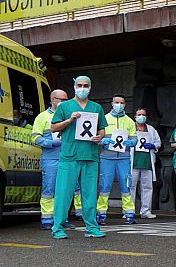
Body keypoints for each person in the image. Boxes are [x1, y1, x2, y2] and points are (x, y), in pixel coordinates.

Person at [50, 76, 107, 239]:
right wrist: (70, 119)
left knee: (89, 193)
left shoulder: (96, 107)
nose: (82, 88)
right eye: (79, 85)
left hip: (89, 156)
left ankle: (91, 227)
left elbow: (102, 129)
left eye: (85, 85)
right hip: (69, 156)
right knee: (63, 193)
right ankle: (57, 227)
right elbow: (53, 127)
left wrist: (99, 136)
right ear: (74, 86)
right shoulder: (65, 106)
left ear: (90, 87)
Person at [32, 89, 80, 230]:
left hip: (68, 157)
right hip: (50, 158)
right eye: (61, 100)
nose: (65, 102)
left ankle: (62, 219)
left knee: (65, 190)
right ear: (53, 99)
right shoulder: (42, 117)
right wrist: (49, 143)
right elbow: (35, 136)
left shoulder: (71, 116)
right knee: (49, 189)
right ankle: (47, 219)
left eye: (66, 100)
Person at [97, 94, 137, 225]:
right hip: (107, 157)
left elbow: (135, 139)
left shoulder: (129, 121)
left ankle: (129, 213)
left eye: (121, 102)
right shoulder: (104, 119)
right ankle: (101, 213)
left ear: (125, 104)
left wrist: (131, 142)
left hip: (123, 158)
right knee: (104, 186)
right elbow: (96, 138)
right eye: (116, 102)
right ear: (112, 103)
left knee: (126, 185)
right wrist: (103, 140)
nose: (119, 105)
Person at [130, 108, 162, 219]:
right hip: (133, 162)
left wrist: (154, 146)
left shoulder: (151, 129)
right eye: (139, 114)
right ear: (135, 116)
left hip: (147, 161)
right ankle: (130, 211)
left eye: (143, 114)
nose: (141, 116)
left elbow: (158, 142)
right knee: (131, 187)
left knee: (147, 187)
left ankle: (146, 211)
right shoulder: (130, 127)